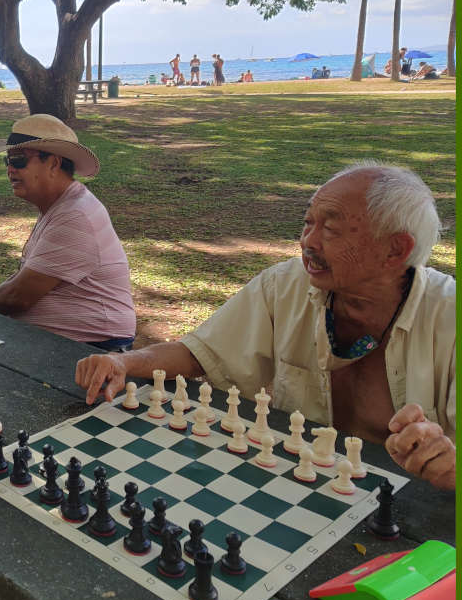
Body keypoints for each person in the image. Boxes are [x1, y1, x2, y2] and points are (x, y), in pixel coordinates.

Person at [75, 163, 455, 490]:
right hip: (299, 481)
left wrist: (450, 467)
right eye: (308, 222)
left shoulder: (449, 316)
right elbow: (201, 354)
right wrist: (125, 362)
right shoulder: (286, 284)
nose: (307, 241)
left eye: (332, 230)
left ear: (395, 250)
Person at [0, 114, 136, 351]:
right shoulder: (65, 204)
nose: (10, 169)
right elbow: (22, 283)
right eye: (7, 161)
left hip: (94, 347)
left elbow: (18, 297)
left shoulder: (75, 215)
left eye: (19, 160)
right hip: (72, 340)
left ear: (53, 163)